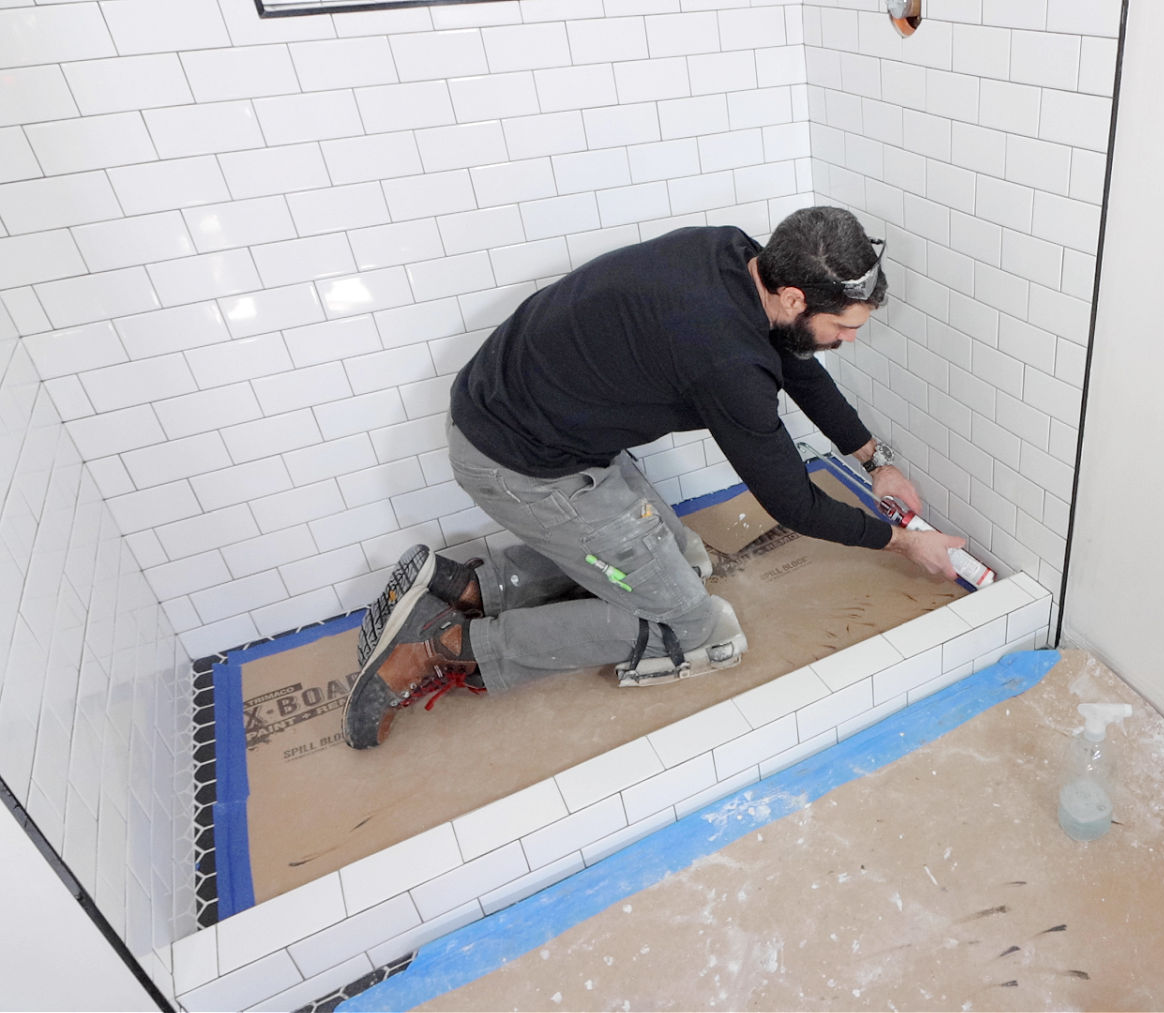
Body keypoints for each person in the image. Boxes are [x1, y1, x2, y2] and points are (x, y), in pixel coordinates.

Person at [342, 207, 967, 749]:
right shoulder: (725, 360)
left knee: (684, 560)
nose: (848, 340)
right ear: (797, 298)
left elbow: (797, 364)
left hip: (534, 420)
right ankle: (436, 644)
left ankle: (464, 585)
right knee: (688, 626)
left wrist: (872, 459)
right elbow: (793, 504)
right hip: (522, 465)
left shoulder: (737, 255)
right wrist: (905, 542)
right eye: (846, 327)